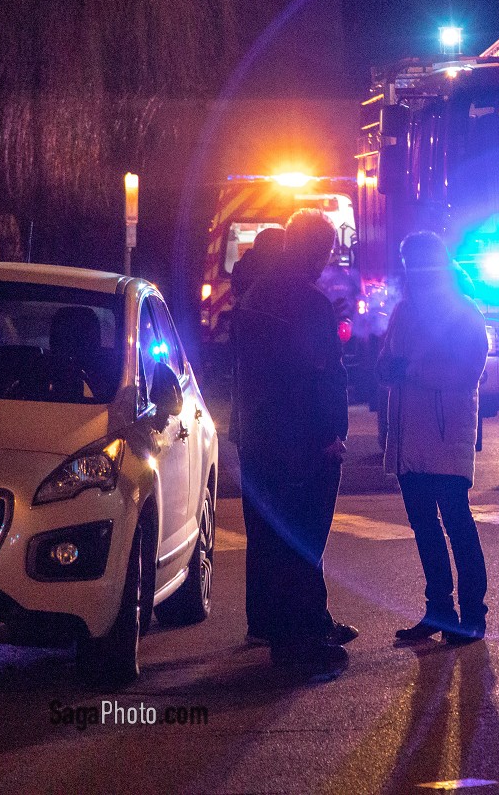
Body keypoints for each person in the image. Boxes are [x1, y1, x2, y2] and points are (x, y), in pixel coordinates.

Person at [233, 209, 354, 678]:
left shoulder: (254, 296)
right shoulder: (307, 303)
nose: (325, 264)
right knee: (303, 536)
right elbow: (321, 375)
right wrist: (330, 434)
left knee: (269, 536)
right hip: (303, 441)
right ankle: (300, 638)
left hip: (259, 435)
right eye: (324, 253)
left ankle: (285, 624)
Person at [379, 231, 490, 646]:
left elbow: (465, 374)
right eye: (409, 263)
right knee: (426, 528)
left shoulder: (463, 312)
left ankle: (472, 616)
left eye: (419, 262)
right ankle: (440, 611)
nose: (413, 271)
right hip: (410, 439)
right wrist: (391, 369)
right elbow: (384, 364)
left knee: (457, 524)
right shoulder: (404, 311)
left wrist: (407, 372)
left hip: (445, 434)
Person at [228, 225, 284, 648]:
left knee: (258, 529)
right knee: (283, 528)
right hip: (274, 429)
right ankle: (283, 620)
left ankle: (259, 620)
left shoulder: (244, 296)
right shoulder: (270, 299)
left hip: (249, 427)